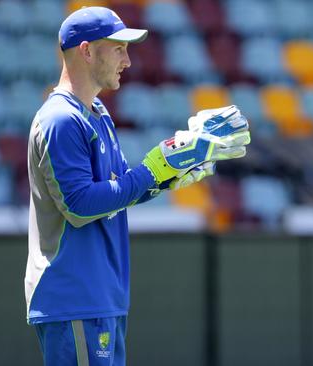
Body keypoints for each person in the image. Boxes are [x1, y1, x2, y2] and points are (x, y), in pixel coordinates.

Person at [25, 7, 248, 366]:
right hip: (75, 297)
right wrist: (153, 168)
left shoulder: (96, 112)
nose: (127, 61)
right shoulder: (60, 119)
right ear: (86, 51)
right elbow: (80, 205)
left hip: (102, 296)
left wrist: (170, 173)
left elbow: (118, 192)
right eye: (118, 49)